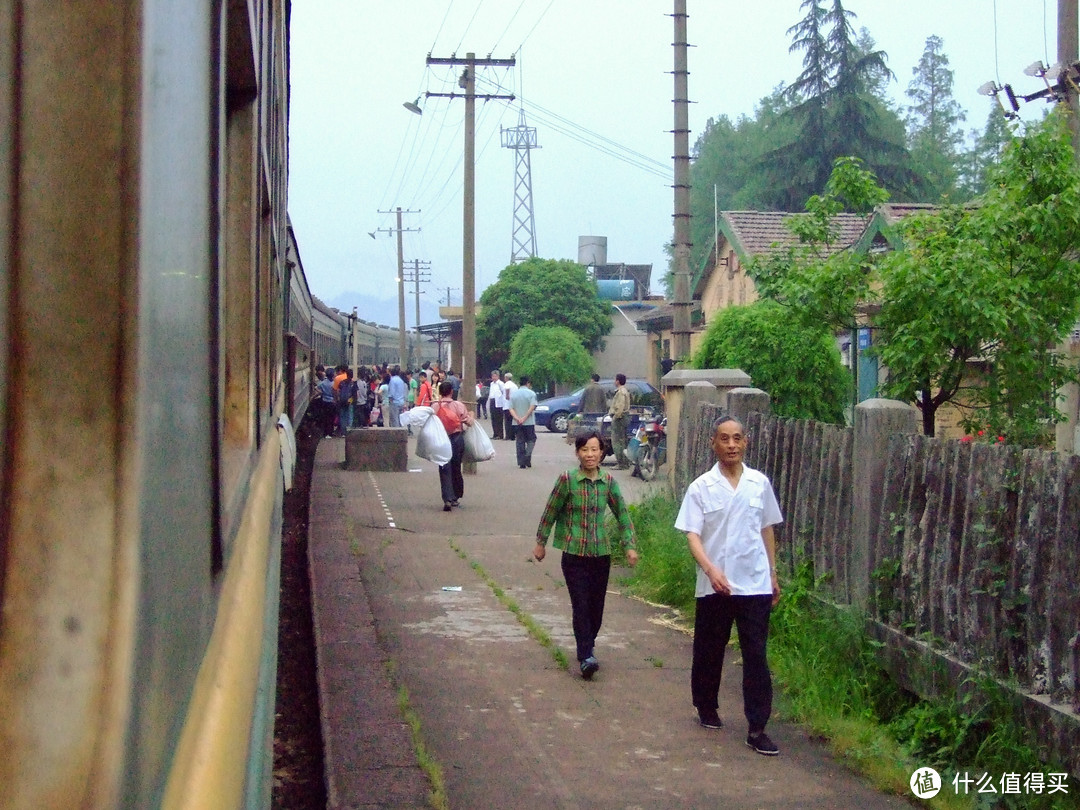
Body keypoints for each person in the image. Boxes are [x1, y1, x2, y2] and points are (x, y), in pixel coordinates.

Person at [674, 415, 783, 757]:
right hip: (715, 585)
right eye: (725, 439)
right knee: (710, 648)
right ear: (714, 443)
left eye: (737, 438)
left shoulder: (758, 483)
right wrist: (709, 569)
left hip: (754, 582)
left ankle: (757, 727)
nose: (732, 445)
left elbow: (767, 528)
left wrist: (773, 572)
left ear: (745, 442)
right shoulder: (701, 487)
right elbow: (692, 534)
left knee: (756, 654)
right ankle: (706, 706)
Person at [534, 430, 639, 679]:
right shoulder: (567, 480)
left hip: (601, 553)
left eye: (594, 449)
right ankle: (586, 654)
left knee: (596, 607)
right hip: (573, 553)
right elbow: (551, 511)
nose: (590, 454)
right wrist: (541, 542)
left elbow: (622, 514)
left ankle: (587, 645)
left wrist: (630, 545)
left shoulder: (609, 482)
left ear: (601, 452)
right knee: (580, 604)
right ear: (577, 453)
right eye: (585, 450)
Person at [432, 380, 474, 511]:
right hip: (456, 439)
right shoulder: (459, 405)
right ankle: (455, 497)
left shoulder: (435, 406)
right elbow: (469, 423)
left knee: (444, 468)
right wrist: (471, 415)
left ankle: (447, 499)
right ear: (451, 392)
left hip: (441, 440)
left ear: (440, 392)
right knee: (456, 467)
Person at [508, 374, 539, 468]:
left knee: (520, 441)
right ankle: (527, 456)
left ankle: (521, 462)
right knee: (531, 439)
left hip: (517, 422)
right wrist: (525, 417)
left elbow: (511, 408)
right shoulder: (531, 394)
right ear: (527, 383)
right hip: (529, 422)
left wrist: (517, 418)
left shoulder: (514, 394)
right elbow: (532, 407)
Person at [608, 373, 632, 469]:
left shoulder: (621, 392)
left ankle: (621, 463)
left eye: (615, 380)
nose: (614, 381)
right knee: (623, 440)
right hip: (623, 417)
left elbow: (620, 406)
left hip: (620, 418)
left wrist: (616, 416)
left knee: (617, 441)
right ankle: (625, 462)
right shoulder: (624, 391)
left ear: (618, 381)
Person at [488, 370, 505, 440]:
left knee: (499, 419)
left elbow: (503, 392)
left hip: (498, 403)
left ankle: (500, 434)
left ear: (498, 376)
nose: (494, 377)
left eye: (495, 376)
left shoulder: (500, 384)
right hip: (492, 400)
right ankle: (495, 433)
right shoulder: (491, 384)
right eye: (493, 376)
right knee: (493, 419)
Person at [502, 372, 518, 441]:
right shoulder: (515, 385)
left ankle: (508, 435)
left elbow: (507, 390)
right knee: (513, 421)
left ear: (506, 378)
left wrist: (507, 396)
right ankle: (513, 436)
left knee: (507, 421)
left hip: (507, 405)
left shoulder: (507, 384)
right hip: (514, 405)